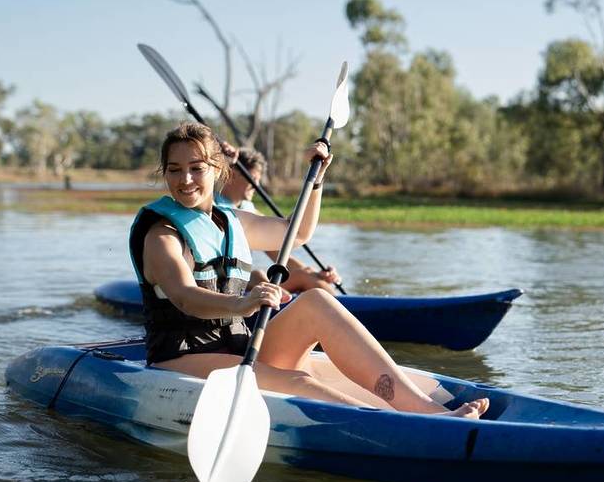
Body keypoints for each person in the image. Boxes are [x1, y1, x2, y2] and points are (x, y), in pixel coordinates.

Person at [128, 122, 488, 418]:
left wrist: (314, 179)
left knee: (316, 301)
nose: (185, 179)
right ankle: (405, 427)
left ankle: (425, 410)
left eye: (196, 168)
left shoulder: (232, 221)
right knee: (301, 383)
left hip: (237, 348)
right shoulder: (162, 235)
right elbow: (185, 297)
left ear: (217, 170)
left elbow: (296, 232)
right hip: (183, 357)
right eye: (174, 170)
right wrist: (243, 304)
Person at [217, 147, 343, 294]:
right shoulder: (213, 205)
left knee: (305, 275)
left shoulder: (247, 208)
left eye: (258, 180)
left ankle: (344, 309)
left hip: (245, 281)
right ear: (231, 175)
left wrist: (315, 273)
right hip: (224, 286)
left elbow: (277, 252)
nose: (256, 185)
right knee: (259, 275)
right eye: (252, 178)